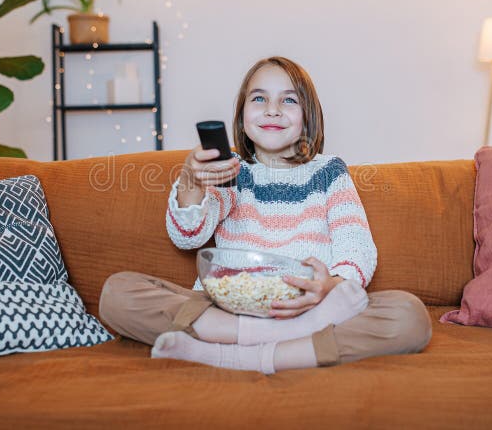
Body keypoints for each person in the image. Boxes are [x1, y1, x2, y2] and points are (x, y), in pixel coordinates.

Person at [99, 56, 431, 374]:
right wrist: (191, 180)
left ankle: (221, 352)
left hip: (309, 308)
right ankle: (284, 348)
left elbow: (356, 247)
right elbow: (189, 235)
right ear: (242, 114)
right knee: (117, 292)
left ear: (308, 116)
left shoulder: (330, 172)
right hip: (229, 308)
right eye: (259, 98)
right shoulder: (232, 171)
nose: (272, 109)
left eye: (289, 101)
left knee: (408, 315)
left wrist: (329, 287)